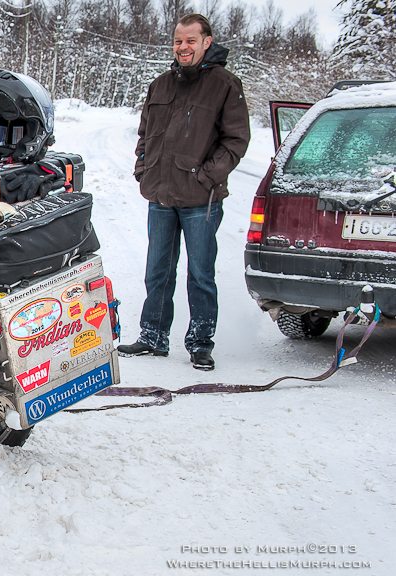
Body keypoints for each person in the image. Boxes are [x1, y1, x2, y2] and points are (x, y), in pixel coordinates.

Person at [117, 13, 250, 371]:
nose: (183, 48)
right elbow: (145, 133)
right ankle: (153, 336)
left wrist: (207, 177)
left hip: (200, 201)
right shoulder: (161, 85)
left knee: (200, 274)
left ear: (207, 42)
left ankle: (201, 342)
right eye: (178, 41)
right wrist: (143, 167)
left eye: (190, 41)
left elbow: (236, 140)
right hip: (161, 196)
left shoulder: (225, 84)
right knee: (157, 271)